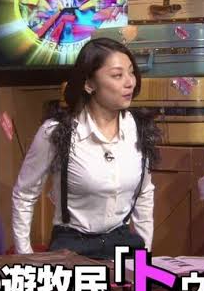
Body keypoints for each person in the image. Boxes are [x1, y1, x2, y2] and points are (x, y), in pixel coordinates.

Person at [12, 38, 161, 259]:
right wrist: (25, 256)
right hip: (72, 246)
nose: (130, 82)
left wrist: (144, 257)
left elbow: (145, 194)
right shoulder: (57, 131)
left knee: (160, 281)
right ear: (89, 84)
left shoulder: (138, 128)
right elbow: (24, 194)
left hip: (124, 243)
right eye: (117, 75)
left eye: (131, 72)